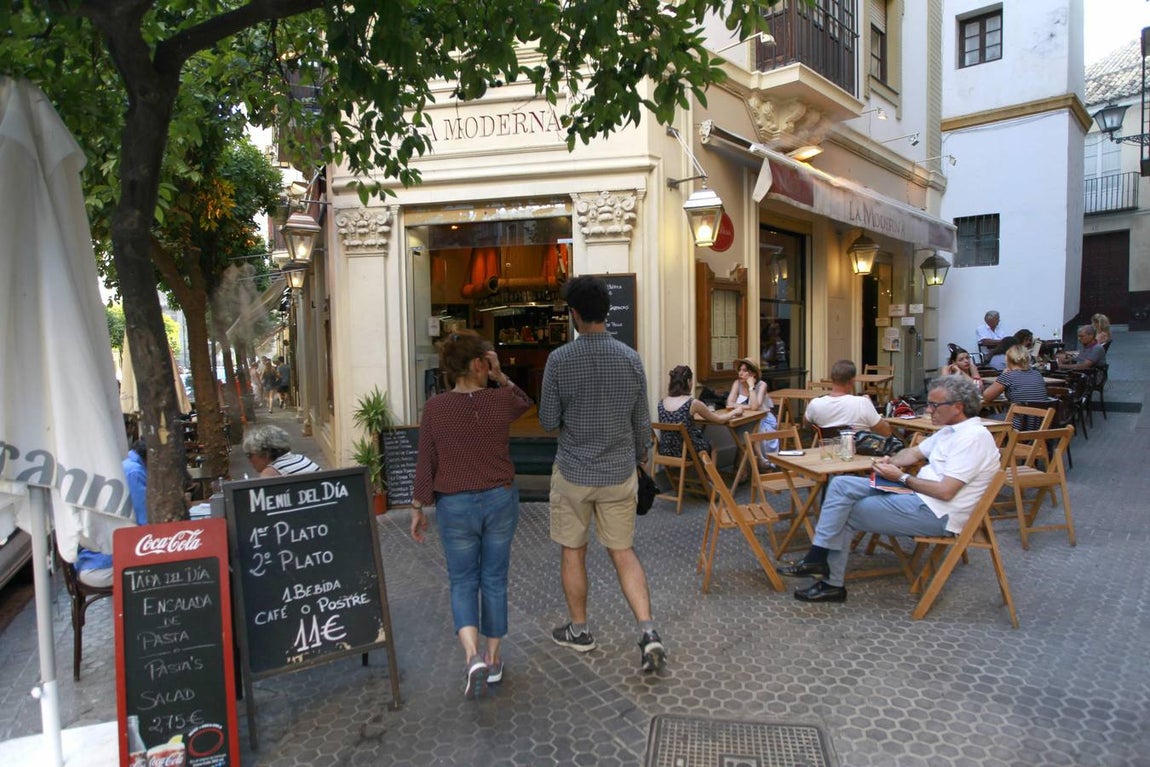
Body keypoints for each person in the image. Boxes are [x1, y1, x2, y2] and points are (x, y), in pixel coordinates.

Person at [777, 375, 1000, 603]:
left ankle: (830, 582)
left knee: (843, 510)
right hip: (920, 497)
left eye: (934, 405)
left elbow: (945, 492)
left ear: (958, 407)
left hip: (938, 513)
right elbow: (913, 453)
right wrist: (890, 462)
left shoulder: (973, 438)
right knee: (840, 484)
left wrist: (902, 477)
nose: (929, 410)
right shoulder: (949, 430)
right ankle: (817, 557)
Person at [539, 275, 666, 673]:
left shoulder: (559, 360)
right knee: (623, 552)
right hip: (618, 472)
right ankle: (648, 632)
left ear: (574, 314)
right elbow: (642, 426)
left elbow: (546, 421)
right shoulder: (630, 358)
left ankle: (580, 631)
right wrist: (640, 460)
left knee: (573, 552)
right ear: (606, 312)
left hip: (574, 473)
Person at [409, 330, 532, 699]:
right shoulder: (499, 401)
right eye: (487, 361)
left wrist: (417, 507)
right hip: (499, 499)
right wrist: (501, 376)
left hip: (455, 504)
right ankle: (493, 660)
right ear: (479, 363)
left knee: (463, 582)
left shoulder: (435, 408)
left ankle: (472, 656)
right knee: (494, 579)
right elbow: (526, 401)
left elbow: (425, 461)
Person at [76, 439, 150, 587]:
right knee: (159, 569)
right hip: (100, 567)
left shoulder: (126, 466)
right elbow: (144, 521)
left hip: (91, 561)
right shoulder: (134, 472)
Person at [657, 365, 744, 464]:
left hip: (665, 451)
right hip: (686, 452)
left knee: (697, 439)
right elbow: (719, 420)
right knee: (712, 446)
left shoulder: (661, 403)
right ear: (688, 381)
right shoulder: (692, 403)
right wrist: (735, 412)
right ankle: (710, 478)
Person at [803, 360, 893, 436]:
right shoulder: (862, 403)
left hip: (828, 453)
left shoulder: (815, 404)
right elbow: (886, 432)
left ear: (832, 379)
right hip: (858, 453)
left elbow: (806, 425)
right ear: (852, 381)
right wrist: (871, 406)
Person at [980, 344, 1049, 429]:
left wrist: (1003, 375)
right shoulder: (1037, 374)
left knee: (985, 418)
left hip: (1019, 425)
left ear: (1008, 360)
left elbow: (987, 396)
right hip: (1041, 424)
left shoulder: (1008, 376)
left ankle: (1000, 442)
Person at [726, 357, 780, 458]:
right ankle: (752, 463)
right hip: (745, 419)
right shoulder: (737, 383)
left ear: (753, 374)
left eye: (744, 370)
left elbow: (755, 407)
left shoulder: (762, 385)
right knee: (739, 431)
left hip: (764, 419)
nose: (740, 373)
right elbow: (729, 403)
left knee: (755, 431)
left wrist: (751, 386)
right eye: (740, 370)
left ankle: (761, 460)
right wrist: (747, 407)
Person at [242, 424, 321, 476]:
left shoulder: (270, 473)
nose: (249, 461)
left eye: (249, 455)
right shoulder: (302, 458)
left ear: (265, 454)